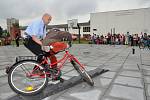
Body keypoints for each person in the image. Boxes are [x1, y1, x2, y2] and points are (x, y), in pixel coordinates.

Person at [23, 13, 71, 81]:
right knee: (42, 54)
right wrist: (43, 45)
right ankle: (37, 71)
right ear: (44, 17)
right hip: (28, 40)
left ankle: (53, 72)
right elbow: (34, 37)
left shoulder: (44, 26)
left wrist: (50, 45)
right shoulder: (38, 23)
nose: (49, 21)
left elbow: (45, 38)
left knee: (50, 54)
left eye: (50, 20)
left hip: (35, 40)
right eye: (49, 19)